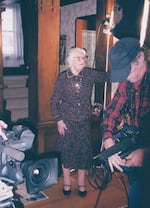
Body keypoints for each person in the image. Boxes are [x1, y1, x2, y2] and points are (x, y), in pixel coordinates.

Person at [50, 47, 109, 197]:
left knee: (84, 153)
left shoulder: (89, 74)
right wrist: (58, 120)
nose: (83, 60)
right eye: (78, 57)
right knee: (67, 152)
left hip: (84, 121)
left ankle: (82, 183)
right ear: (70, 61)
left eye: (84, 57)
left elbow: (107, 76)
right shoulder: (63, 78)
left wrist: (128, 68)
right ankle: (67, 183)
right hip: (67, 122)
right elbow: (54, 101)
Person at [101, 37, 150, 208]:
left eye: (127, 71)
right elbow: (111, 112)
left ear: (141, 58)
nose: (126, 78)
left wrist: (146, 154)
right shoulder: (126, 83)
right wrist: (108, 140)